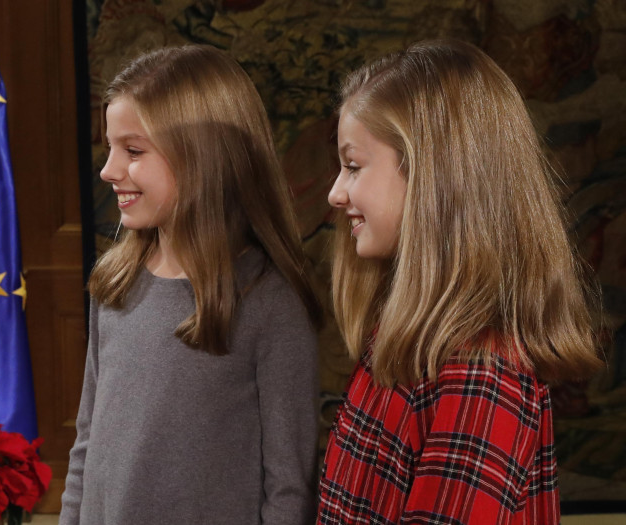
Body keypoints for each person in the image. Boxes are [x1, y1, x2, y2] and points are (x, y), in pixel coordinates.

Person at [318, 40, 604, 524]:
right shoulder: (406, 340)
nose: (335, 193)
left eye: (353, 166)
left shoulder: (482, 375)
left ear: (431, 175)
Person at [60, 45, 321, 524]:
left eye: (133, 151)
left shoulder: (268, 302)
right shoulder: (114, 284)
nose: (108, 170)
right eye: (110, 149)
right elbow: (87, 447)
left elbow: (289, 489)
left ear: (204, 157)